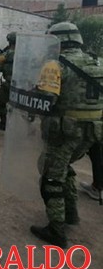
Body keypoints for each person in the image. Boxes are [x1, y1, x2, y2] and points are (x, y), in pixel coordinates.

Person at [30, 22, 103, 248]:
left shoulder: (55, 65)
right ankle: (70, 213)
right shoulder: (98, 62)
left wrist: (29, 95)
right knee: (65, 167)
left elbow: (46, 101)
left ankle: (56, 229)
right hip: (92, 132)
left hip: (64, 132)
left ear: (57, 41)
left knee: (50, 175)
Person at [0, 32, 16, 130]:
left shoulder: (5, 54)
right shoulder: (24, 54)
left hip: (7, 83)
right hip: (20, 84)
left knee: (2, 102)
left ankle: (3, 123)